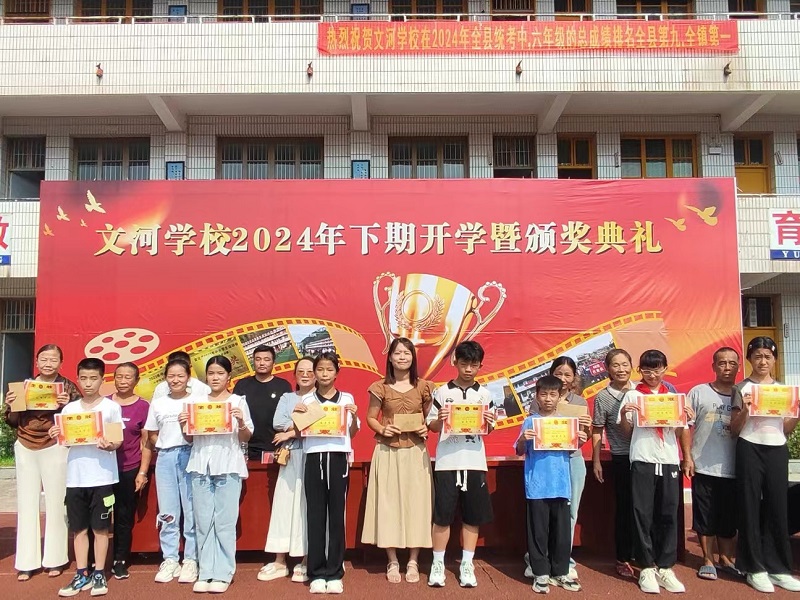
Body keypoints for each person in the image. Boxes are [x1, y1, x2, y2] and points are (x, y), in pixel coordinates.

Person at [618, 349, 693, 594]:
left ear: (665, 369)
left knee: (668, 513)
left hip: (669, 459)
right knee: (642, 513)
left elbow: (681, 430)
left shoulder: (673, 397)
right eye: (647, 370)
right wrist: (624, 414)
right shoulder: (633, 395)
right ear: (640, 370)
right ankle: (646, 567)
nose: (652, 374)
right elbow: (626, 432)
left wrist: (687, 454)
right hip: (643, 458)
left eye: (657, 369)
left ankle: (666, 566)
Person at [3, 344, 80, 582]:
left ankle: (55, 559)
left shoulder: (68, 387)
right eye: (44, 359)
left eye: (53, 360)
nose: (48, 363)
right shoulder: (23, 386)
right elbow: (12, 420)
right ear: (36, 362)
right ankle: (27, 562)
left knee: (57, 503)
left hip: (54, 446)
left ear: (61, 363)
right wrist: (12, 404)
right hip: (25, 445)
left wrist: (66, 404)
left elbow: (78, 420)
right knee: (26, 503)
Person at [730, 337, 800, 593]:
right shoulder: (741, 388)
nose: (762, 361)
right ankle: (753, 568)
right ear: (750, 359)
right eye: (757, 356)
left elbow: (787, 429)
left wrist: (796, 412)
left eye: (767, 357)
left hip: (777, 449)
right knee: (749, 505)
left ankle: (779, 568)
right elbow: (733, 429)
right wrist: (746, 411)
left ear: (775, 360)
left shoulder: (784, 390)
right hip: (749, 447)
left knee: (778, 506)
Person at [49, 358, 124, 597]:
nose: (88, 383)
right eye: (83, 378)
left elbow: (117, 441)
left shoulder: (111, 408)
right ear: (78, 380)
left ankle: (99, 572)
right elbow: (65, 442)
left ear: (102, 379)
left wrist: (109, 445)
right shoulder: (69, 410)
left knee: (101, 529)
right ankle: (82, 573)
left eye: (93, 378)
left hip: (102, 478)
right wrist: (57, 433)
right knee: (79, 529)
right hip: (75, 478)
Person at [362, 338, 434, 584]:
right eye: (397, 353)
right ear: (390, 358)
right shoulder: (379, 387)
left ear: (413, 357)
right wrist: (383, 429)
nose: (402, 357)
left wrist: (426, 428)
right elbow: (371, 418)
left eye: (407, 353)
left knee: (418, 504)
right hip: (388, 451)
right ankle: (392, 559)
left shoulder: (425, 387)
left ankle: (413, 560)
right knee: (388, 504)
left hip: (416, 451)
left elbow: (431, 419)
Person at [426, 340, 496, 589]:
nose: (468, 369)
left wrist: (488, 421)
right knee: (442, 516)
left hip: (475, 462)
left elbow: (489, 428)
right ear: (455, 362)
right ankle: (437, 563)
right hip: (446, 462)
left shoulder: (485, 394)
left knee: (472, 516)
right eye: (464, 363)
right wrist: (440, 419)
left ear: (480, 366)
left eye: (473, 365)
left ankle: (467, 563)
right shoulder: (442, 392)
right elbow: (431, 425)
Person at [180, 356, 253, 594]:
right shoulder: (196, 403)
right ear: (206, 377)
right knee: (202, 521)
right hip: (200, 465)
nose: (215, 378)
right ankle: (205, 571)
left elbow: (246, 437)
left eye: (220, 373)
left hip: (228, 465)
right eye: (211, 373)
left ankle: (223, 572)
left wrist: (241, 421)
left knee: (225, 522)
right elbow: (189, 438)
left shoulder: (237, 401)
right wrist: (184, 425)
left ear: (228, 377)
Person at [294, 352, 359, 594]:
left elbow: (353, 432)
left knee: (336, 515)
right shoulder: (307, 399)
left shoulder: (346, 398)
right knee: (315, 515)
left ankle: (334, 572)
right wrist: (298, 416)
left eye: (329, 369)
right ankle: (316, 572)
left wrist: (353, 415)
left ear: (337, 373)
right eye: (319, 369)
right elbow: (299, 433)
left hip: (339, 458)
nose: (324, 374)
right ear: (314, 373)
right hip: (313, 457)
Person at [516, 375, 584, 594]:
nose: (547, 399)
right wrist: (523, 439)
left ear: (558, 397)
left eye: (552, 394)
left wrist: (580, 440)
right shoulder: (530, 422)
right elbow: (519, 450)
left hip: (561, 485)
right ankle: (540, 573)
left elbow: (571, 450)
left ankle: (561, 572)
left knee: (562, 533)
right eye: (543, 394)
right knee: (538, 532)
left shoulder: (566, 423)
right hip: (537, 486)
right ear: (536, 396)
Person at [680, 347, 740, 581]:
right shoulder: (699, 392)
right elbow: (686, 426)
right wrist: (687, 457)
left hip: (734, 467)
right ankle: (707, 559)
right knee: (705, 514)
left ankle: (726, 559)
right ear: (713, 366)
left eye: (732, 363)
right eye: (722, 363)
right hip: (704, 465)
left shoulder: (743, 394)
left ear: (738, 366)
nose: (727, 367)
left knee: (729, 516)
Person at [258, 357, 316, 584]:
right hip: (291, 457)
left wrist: (291, 431)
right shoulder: (287, 397)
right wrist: (299, 420)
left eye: (310, 371)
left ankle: (306, 559)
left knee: (307, 506)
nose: (305, 375)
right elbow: (277, 422)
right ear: (295, 374)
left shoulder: (321, 398)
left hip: (313, 454)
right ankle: (280, 560)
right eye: (301, 371)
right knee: (283, 505)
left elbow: (320, 425)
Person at [144, 358, 199, 584]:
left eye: (180, 376)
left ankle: (191, 559)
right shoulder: (158, 403)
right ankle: (170, 558)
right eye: (171, 376)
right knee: (168, 510)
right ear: (165, 378)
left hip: (189, 454)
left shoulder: (196, 401)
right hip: (165, 457)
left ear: (188, 377)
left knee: (191, 509)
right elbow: (151, 434)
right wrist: (163, 444)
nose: (175, 380)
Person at [590, 349, 637, 579]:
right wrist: (596, 460)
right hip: (621, 458)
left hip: (646, 457)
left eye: (625, 364)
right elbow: (597, 430)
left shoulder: (642, 391)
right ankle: (623, 557)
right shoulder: (603, 397)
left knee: (647, 508)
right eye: (615, 365)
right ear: (607, 369)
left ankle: (646, 556)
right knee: (625, 509)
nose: (621, 369)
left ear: (632, 366)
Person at [109, 362, 151, 580]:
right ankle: (94, 559)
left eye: (128, 377)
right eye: (119, 376)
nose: (123, 381)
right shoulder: (104, 404)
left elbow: (146, 443)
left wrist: (142, 472)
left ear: (136, 380)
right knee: (99, 516)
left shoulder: (143, 406)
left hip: (129, 468)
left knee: (124, 516)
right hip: (103, 470)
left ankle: (120, 559)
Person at [233, 345, 293, 461]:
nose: (262, 363)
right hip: (246, 447)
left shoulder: (283, 385)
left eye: (266, 359)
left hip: (275, 446)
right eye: (258, 359)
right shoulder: (242, 385)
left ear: (274, 363)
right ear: (253, 362)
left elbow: (288, 416)